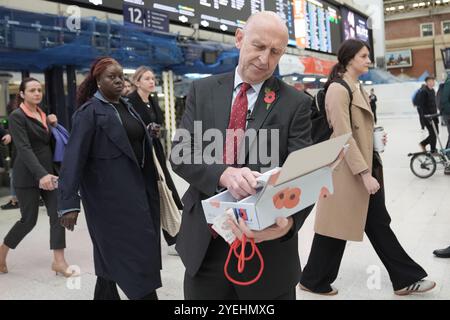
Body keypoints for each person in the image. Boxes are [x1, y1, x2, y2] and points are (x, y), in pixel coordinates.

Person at [170, 11, 313, 300]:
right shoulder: (203, 91)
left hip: (267, 252)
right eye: (259, 46)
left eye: (275, 52)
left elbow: (304, 173)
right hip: (206, 248)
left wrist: (287, 225)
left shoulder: (296, 104)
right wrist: (223, 173)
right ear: (239, 39)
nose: (265, 59)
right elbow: (181, 152)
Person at [298, 39, 435, 297]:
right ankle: (407, 278)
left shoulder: (355, 87)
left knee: (351, 224)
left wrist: (373, 139)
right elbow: (342, 135)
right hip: (350, 171)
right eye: (363, 56)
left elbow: (358, 130)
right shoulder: (338, 90)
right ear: (349, 59)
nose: (368, 61)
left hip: (363, 164)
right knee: (367, 224)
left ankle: (313, 278)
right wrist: (364, 174)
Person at [57, 57, 161, 300]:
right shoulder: (89, 113)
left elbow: (124, 139)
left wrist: (147, 134)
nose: (117, 81)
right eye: (110, 77)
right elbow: (73, 159)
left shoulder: (127, 106)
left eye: (120, 76)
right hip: (108, 202)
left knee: (111, 265)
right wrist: (68, 204)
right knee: (134, 260)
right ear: (98, 81)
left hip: (138, 192)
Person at [0, 77, 72, 276]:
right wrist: (41, 175)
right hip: (27, 175)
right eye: (32, 90)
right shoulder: (17, 116)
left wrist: (53, 124)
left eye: (39, 90)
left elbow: (48, 144)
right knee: (28, 220)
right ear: (22, 94)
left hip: (48, 173)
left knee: (58, 214)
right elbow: (23, 148)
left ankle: (59, 261)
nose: (37, 93)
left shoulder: (43, 114)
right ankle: (2, 252)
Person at [127, 66, 182, 250]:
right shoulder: (131, 102)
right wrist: (146, 131)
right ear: (137, 82)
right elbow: (129, 129)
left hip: (156, 151)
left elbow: (159, 124)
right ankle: (160, 239)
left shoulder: (152, 100)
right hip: (141, 154)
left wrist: (158, 131)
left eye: (153, 79)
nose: (152, 82)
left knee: (166, 190)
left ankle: (174, 238)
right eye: (147, 78)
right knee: (152, 195)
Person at [418, 76, 438, 153]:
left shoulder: (432, 91)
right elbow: (421, 105)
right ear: (426, 82)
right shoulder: (424, 91)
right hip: (427, 117)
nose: (431, 82)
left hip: (434, 115)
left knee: (436, 133)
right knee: (433, 133)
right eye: (429, 81)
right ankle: (433, 150)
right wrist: (427, 116)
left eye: (433, 81)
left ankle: (423, 144)